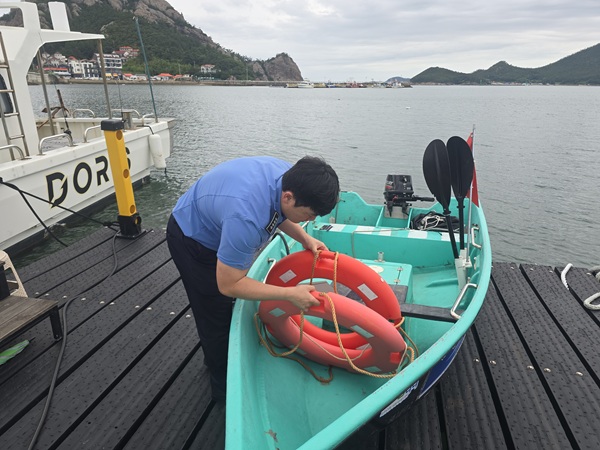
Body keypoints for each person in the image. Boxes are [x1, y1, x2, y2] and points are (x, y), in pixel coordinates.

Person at [166, 155, 340, 402]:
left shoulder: (288, 178)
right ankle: (224, 392)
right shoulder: (246, 218)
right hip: (192, 238)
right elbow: (229, 284)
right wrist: (290, 294)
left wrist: (305, 238)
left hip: (221, 218)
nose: (311, 221)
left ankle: (220, 361)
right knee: (215, 316)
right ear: (288, 197)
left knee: (224, 306)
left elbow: (278, 215)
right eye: (309, 215)